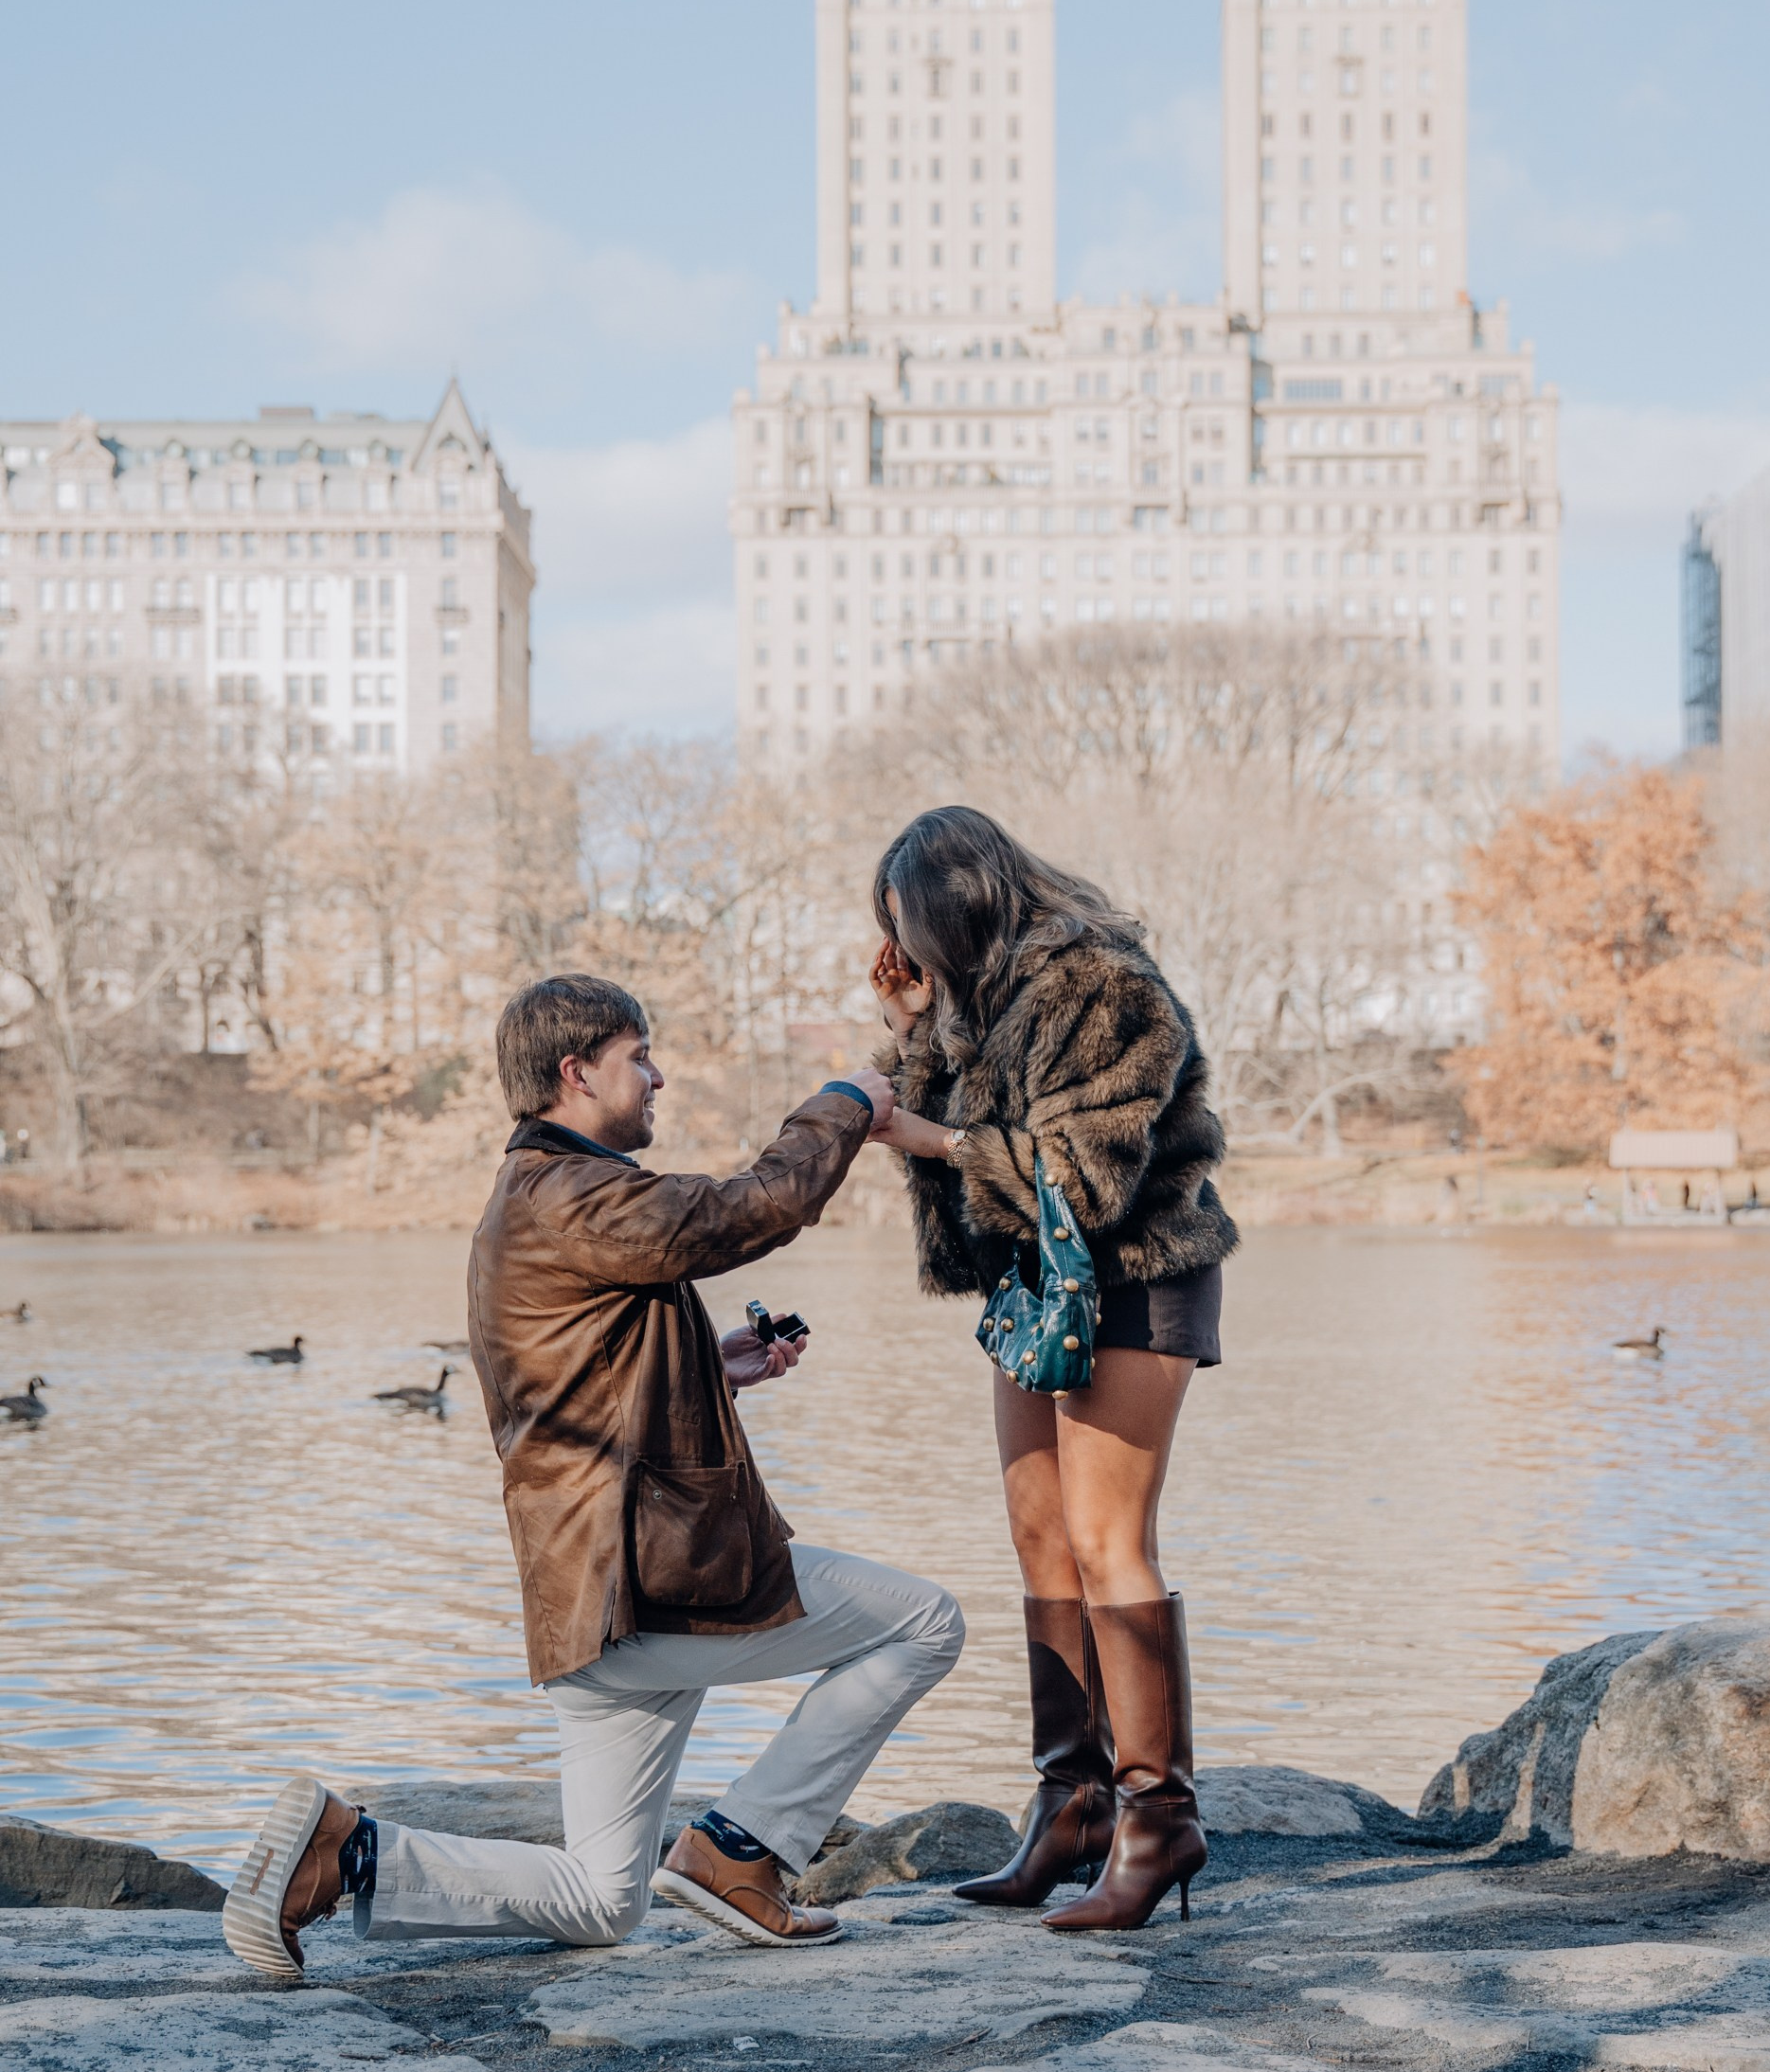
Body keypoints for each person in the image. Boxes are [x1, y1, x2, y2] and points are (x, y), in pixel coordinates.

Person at [223, 973, 962, 1982]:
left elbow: (579, 1394)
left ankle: (343, 1853)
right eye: (639, 1057)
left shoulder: (541, 1199)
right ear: (575, 1073)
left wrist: (719, 1367)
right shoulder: (569, 1192)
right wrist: (843, 1101)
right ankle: (741, 1853)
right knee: (924, 1623)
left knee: (601, 1902)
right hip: (650, 1589)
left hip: (591, 1598)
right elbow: (753, 1207)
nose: (657, 1077)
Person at [866, 806, 1235, 1932]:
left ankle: (1157, 1820)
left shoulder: (1099, 983)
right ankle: (1070, 1804)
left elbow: (1080, 1174)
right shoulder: (981, 1000)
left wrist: (928, 1136)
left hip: (1134, 1271)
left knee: (1106, 1537)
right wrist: (915, 1032)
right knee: (1036, 1534)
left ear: (960, 906)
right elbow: (972, 1159)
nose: (904, 949)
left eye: (907, 928)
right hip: (1036, 1289)